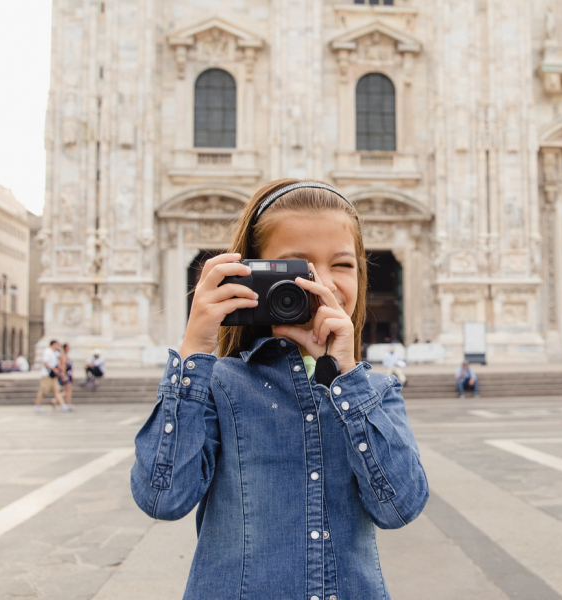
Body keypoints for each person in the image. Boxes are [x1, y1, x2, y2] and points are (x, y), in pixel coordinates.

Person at [129, 179, 427, 600]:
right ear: (251, 276)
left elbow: (400, 506)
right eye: (297, 267)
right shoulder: (219, 384)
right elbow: (162, 497)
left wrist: (347, 376)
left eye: (342, 265)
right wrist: (195, 347)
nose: (321, 283)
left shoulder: (374, 392)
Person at [34, 341, 65, 414]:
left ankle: (63, 406)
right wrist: (53, 369)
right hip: (47, 375)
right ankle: (37, 406)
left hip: (53, 375)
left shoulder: (55, 352)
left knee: (57, 390)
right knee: (42, 391)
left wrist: (61, 349)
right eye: (57, 344)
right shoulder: (47, 351)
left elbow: (62, 357)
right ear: (53, 344)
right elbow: (44, 362)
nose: (58, 346)